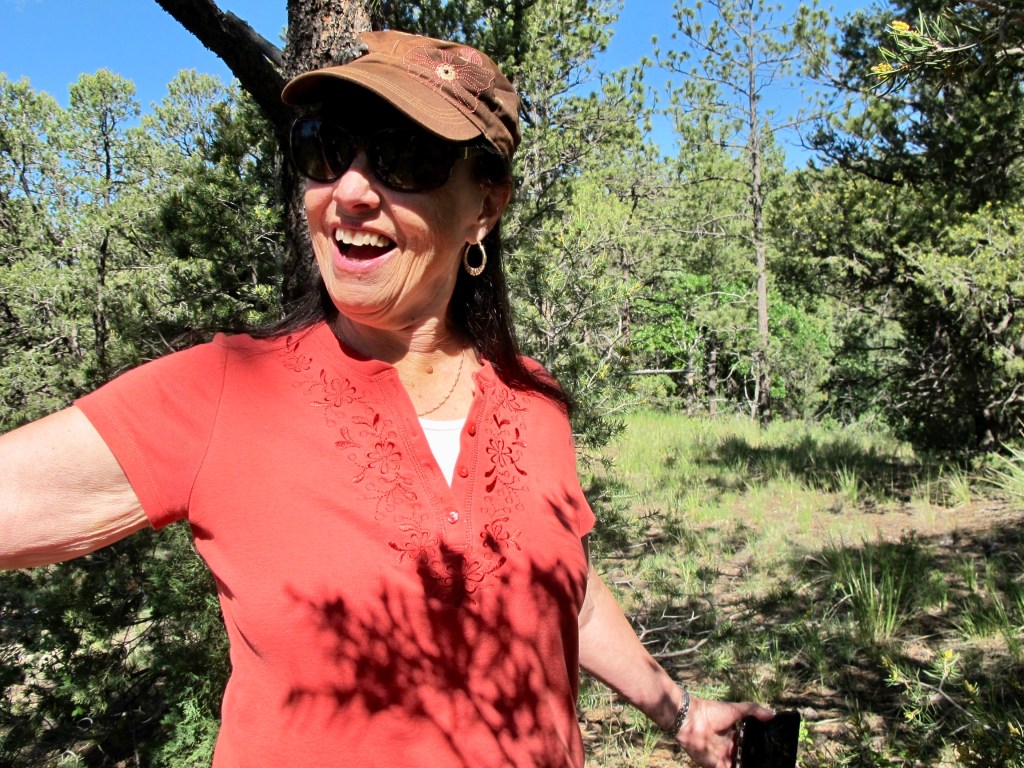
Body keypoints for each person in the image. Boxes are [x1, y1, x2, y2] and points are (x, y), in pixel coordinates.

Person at [0, 30, 773, 768]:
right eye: (325, 149)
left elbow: (565, 593)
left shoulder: (534, 400)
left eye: (406, 158)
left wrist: (680, 713)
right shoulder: (223, 391)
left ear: (484, 207)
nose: (350, 190)